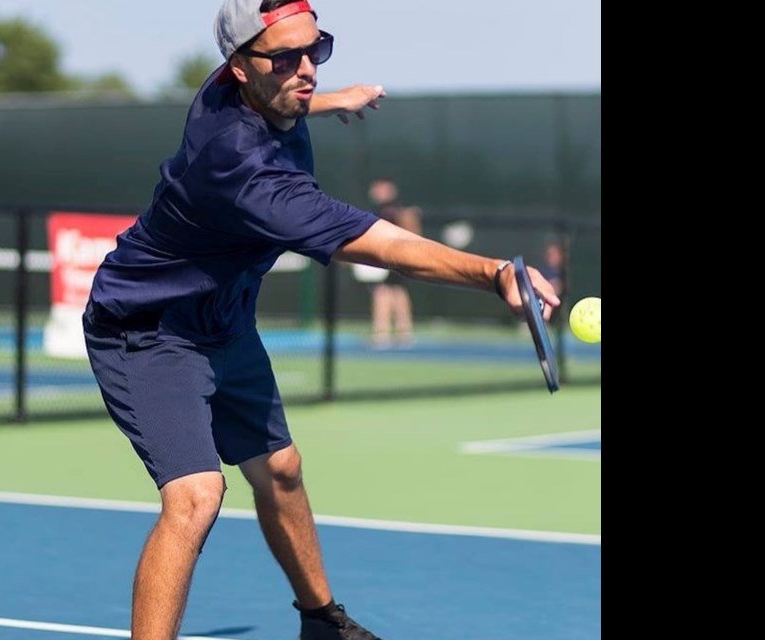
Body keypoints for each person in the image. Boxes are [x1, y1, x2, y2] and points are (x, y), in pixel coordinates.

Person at [82, 1, 560, 638]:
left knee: (281, 469)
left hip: (223, 321)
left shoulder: (253, 88)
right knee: (196, 495)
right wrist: (494, 272)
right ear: (237, 68)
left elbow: (290, 89)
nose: (305, 69)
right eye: (285, 58)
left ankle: (321, 622)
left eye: (318, 49)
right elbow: (386, 245)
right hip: (147, 329)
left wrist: (335, 99)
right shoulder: (242, 171)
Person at [365, 178, 422, 347]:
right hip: (386, 256)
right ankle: (392, 332)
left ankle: (388, 333)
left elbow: (413, 231)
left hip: (396, 256)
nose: (377, 192)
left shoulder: (399, 212)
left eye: (381, 188)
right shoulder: (379, 211)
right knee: (389, 291)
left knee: (388, 292)